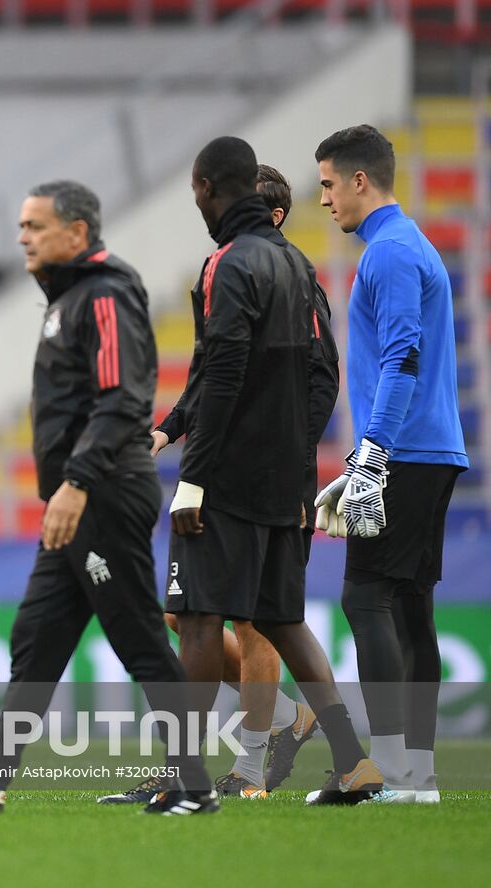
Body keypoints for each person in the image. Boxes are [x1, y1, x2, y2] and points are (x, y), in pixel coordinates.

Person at [0, 181, 215, 815]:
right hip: (78, 498)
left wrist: (74, 484)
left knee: (138, 638)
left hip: (99, 492)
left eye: (36, 226)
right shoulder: (70, 297)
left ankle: (195, 787)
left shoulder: (103, 294)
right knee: (38, 634)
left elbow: (121, 400)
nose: (23, 236)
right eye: (21, 225)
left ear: (77, 233)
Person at [164, 135, 381, 806]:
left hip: (230, 475)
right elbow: (313, 372)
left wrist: (193, 472)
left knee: (198, 616)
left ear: (206, 189)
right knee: (281, 618)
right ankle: (355, 763)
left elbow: (221, 372)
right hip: (285, 478)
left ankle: (189, 779)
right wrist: (170, 429)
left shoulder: (226, 265)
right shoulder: (296, 268)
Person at [126, 164, 335, 802]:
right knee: (186, 612)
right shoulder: (224, 272)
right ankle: (285, 721)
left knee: (255, 622)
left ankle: (246, 771)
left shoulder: (295, 278)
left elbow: (322, 381)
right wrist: (167, 430)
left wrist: (294, 464)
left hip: (265, 479)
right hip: (227, 471)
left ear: (270, 216)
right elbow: (211, 374)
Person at [314, 124, 467, 804]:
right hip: (427, 448)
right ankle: (418, 778)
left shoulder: (391, 255)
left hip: (403, 450)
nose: (323, 201)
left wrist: (370, 455)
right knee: (409, 608)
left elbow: (403, 358)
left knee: (366, 596)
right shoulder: (407, 246)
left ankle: (393, 773)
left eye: (325, 184)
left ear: (358, 181)